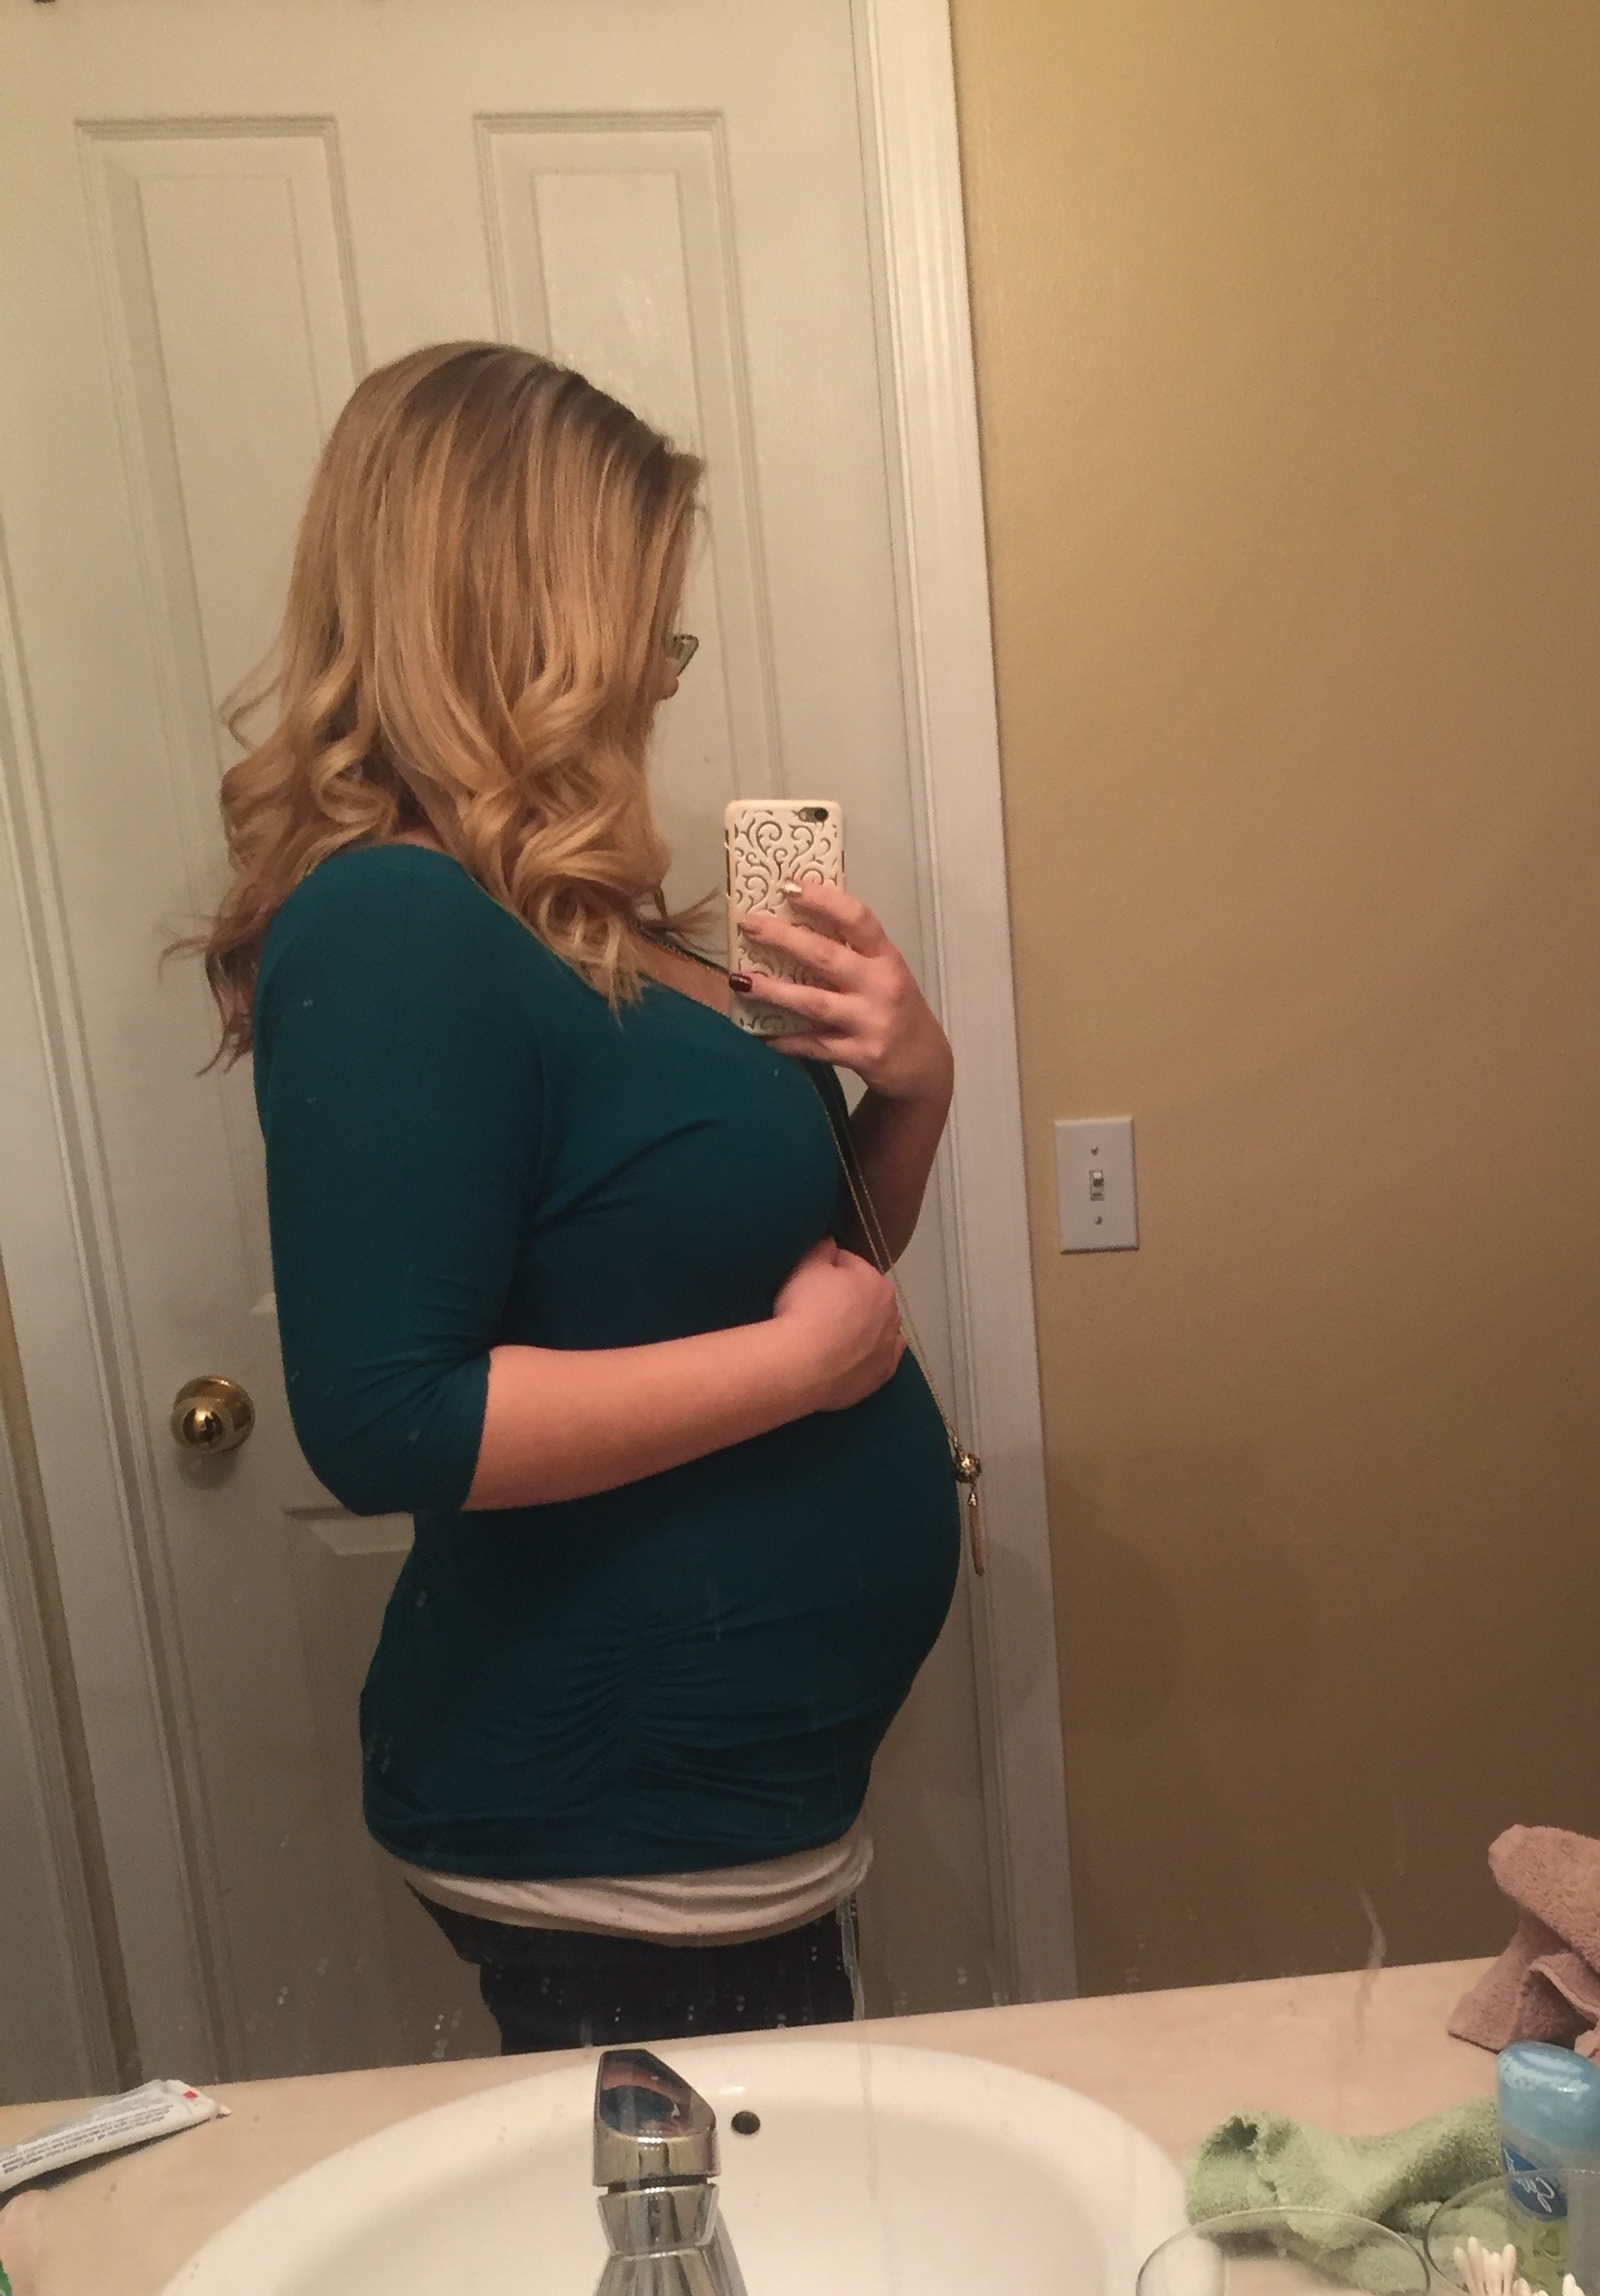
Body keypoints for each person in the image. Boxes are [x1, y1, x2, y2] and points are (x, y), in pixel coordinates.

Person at [186, 341, 962, 2054]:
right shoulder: (391, 924)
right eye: (646, 627)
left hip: (724, 1810)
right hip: (614, 1826)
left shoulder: (589, 917)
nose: (663, 677)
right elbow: (389, 1420)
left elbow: (815, 1271)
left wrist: (912, 1084)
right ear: (512, 614)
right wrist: (802, 1372)